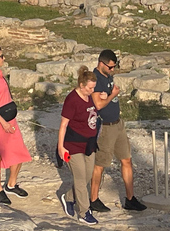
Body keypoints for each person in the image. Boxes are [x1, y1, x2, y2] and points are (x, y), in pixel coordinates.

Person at [89, 50, 146, 212]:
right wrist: (113, 94)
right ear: (101, 63)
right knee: (100, 164)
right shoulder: (95, 79)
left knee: (126, 159)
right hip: (105, 126)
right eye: (111, 67)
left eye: (114, 67)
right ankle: (93, 199)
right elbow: (98, 105)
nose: (113, 70)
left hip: (118, 124)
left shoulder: (108, 76)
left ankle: (130, 199)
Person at [0, 44, 32, 205]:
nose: (4, 58)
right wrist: (3, 123)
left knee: (19, 151)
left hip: (9, 119)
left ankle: (11, 184)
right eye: (1, 56)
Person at [58, 66, 100, 226]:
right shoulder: (71, 100)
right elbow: (63, 125)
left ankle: (68, 197)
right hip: (73, 144)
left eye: (93, 87)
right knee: (81, 179)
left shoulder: (89, 96)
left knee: (87, 176)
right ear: (82, 86)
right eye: (90, 88)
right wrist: (61, 147)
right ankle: (84, 212)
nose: (92, 90)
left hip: (89, 143)